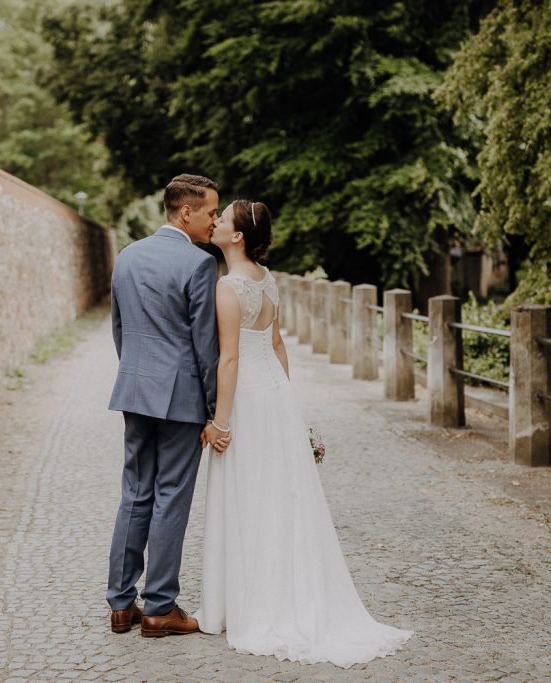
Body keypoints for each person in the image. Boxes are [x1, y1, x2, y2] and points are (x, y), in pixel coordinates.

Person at [194, 199, 413, 667]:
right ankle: (278, 593)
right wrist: (289, 408)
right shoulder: (267, 280)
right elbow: (275, 346)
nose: (214, 222)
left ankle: (252, 605)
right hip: (275, 396)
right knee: (280, 497)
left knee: (251, 497)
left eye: (223, 219)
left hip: (248, 402)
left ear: (236, 237)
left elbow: (228, 359)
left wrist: (220, 422)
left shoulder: (228, 288)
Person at [106, 173, 230, 637]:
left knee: (135, 492)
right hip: (181, 398)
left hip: (135, 391)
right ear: (186, 212)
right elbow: (205, 347)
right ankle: (159, 607)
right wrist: (215, 411)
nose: (214, 219)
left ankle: (121, 606)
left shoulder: (128, 256)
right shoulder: (199, 265)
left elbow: (119, 329)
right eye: (211, 212)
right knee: (170, 497)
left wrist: (138, 377)